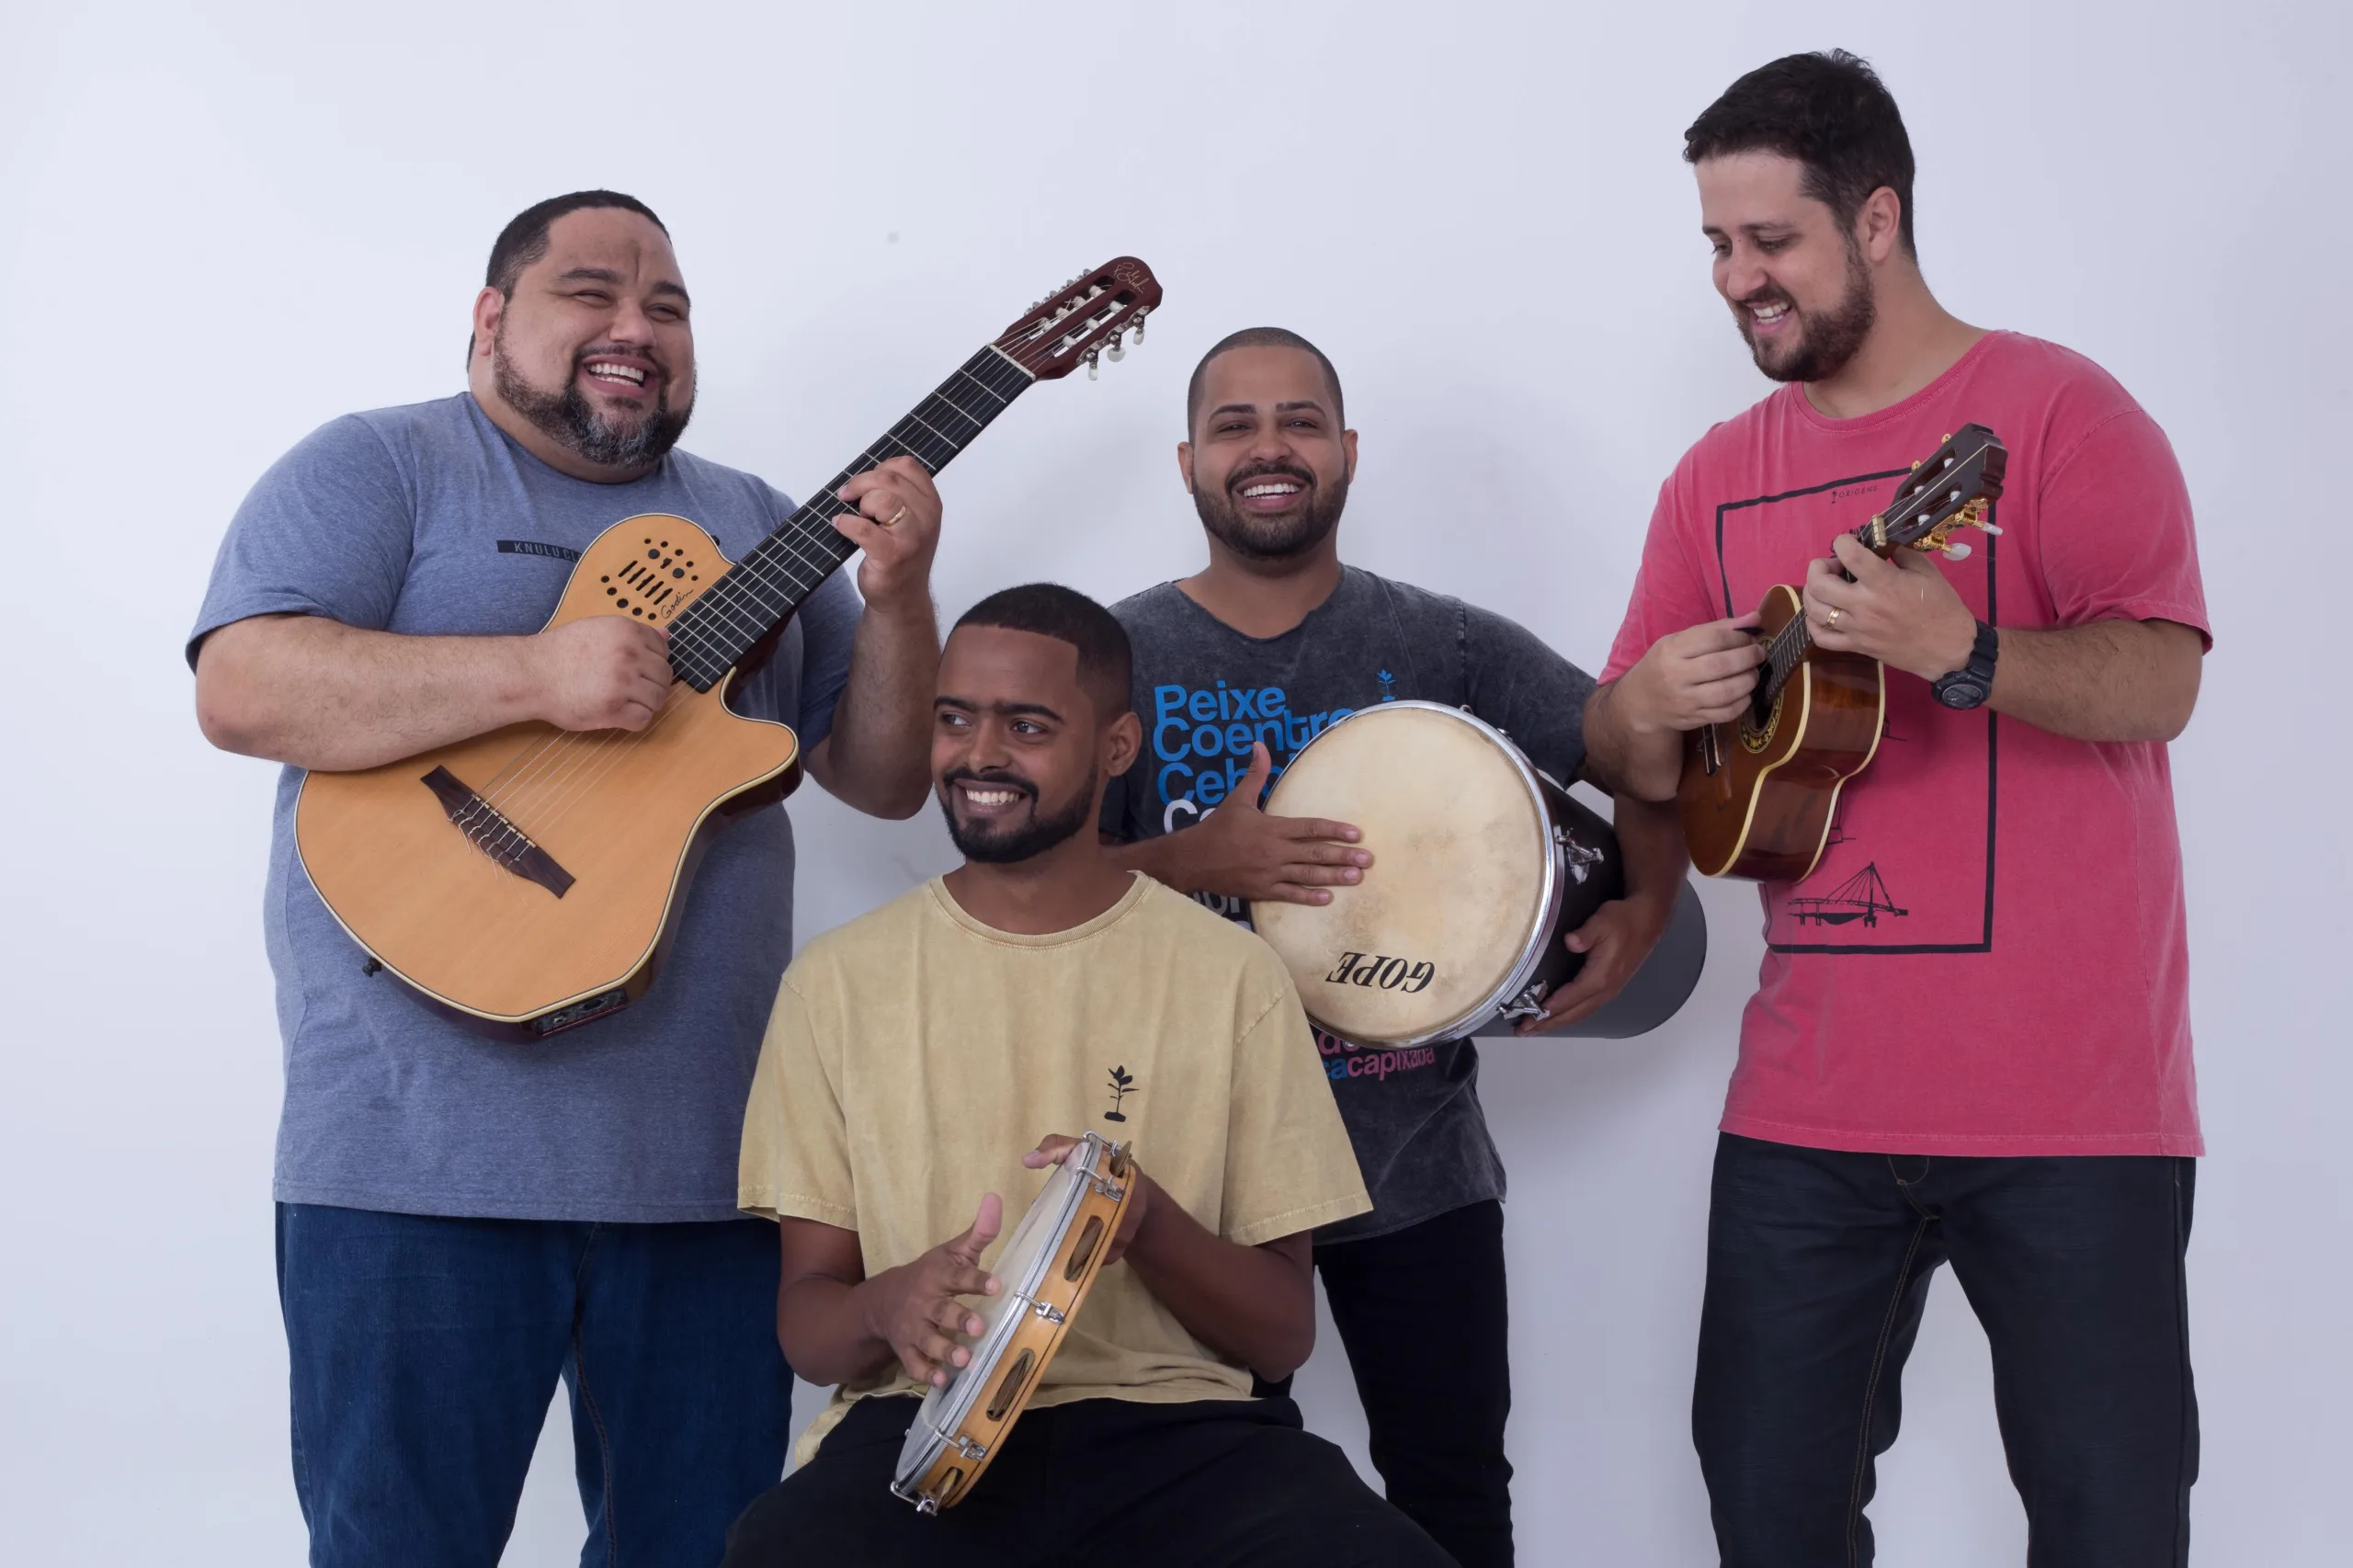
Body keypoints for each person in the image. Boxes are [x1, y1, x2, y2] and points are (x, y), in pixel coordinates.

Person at [188, 189, 945, 1568]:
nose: (633, 328)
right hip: (411, 1164)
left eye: (667, 306)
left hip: (708, 1176)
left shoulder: (760, 527)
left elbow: (885, 777)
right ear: (492, 318)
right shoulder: (384, 465)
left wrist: (900, 598)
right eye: (590, 292)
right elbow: (241, 689)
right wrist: (537, 671)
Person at [1581, 52, 2208, 1567]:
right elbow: (1623, 748)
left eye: (1771, 243)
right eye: (1718, 248)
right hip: (1807, 1106)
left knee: (2110, 1524)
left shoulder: (2057, 414)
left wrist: (1965, 649)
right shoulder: (1714, 480)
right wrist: (1646, 707)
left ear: (1875, 222)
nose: (1740, 281)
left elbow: (2161, 682)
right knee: (1768, 1509)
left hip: (2072, 1107)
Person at [1095, 325, 1689, 1566]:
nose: (1270, 447)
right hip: (1193, 1178)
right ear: (1190, 462)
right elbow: (1025, 894)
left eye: (1300, 420)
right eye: (1236, 424)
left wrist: (1646, 893)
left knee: (1453, 1497)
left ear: (1347, 451)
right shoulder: (1116, 656)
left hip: (1413, 1165)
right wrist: (1196, 862)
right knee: (1208, 1512)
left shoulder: (1443, 641)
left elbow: (1639, 745)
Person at [725, 585, 1451, 1568]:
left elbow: (1282, 1335)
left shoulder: (1230, 974)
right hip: (922, 1421)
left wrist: (1145, 1222)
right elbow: (807, 1326)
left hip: (1184, 1433)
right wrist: (883, 1306)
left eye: (1026, 724)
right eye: (955, 718)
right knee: (774, 1550)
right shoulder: (833, 984)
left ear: (1115, 747)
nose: (980, 756)